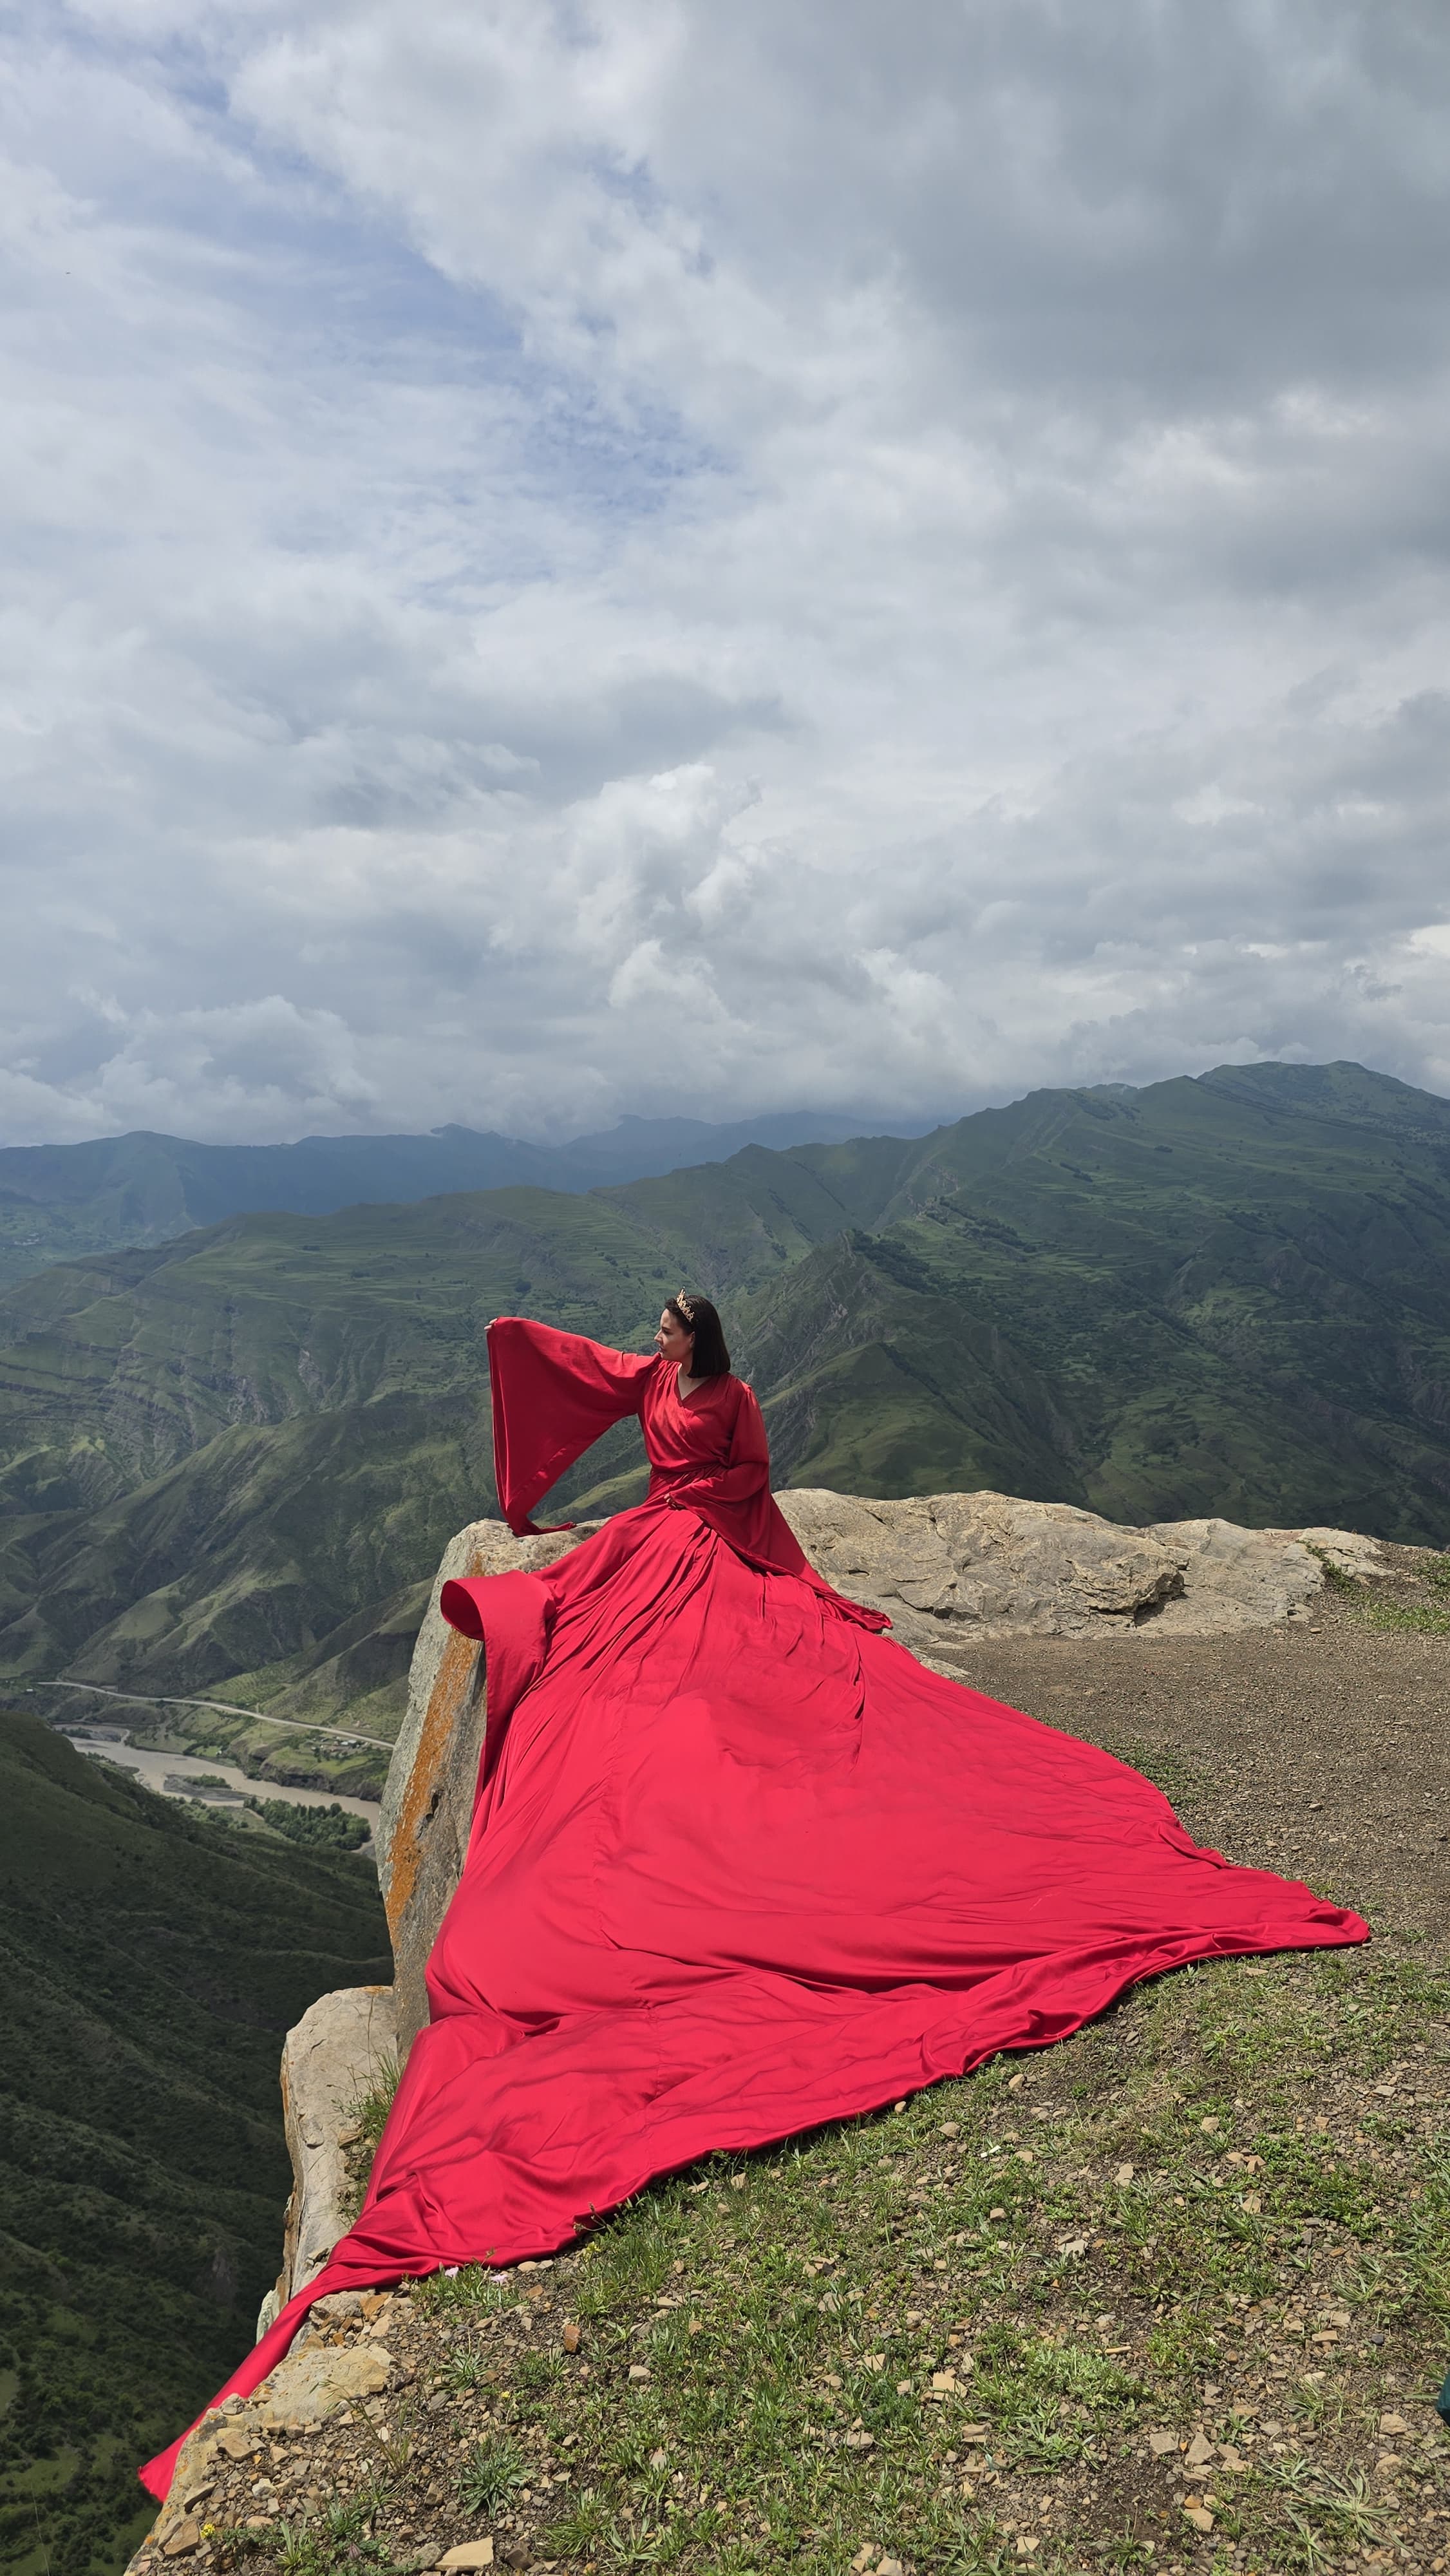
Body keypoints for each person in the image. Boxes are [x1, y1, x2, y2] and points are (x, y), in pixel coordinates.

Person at [141, 1296, 1367, 2503]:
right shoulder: (656, 1382)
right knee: (581, 1613)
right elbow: (576, 1366)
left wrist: (702, 1519)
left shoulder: (730, 1398)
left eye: (672, 1331)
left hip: (709, 1536)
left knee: (702, 1669)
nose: (660, 1344)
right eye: (659, 1334)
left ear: (702, 1341)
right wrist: (509, 1352)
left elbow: (751, 1477)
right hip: (656, 1528)